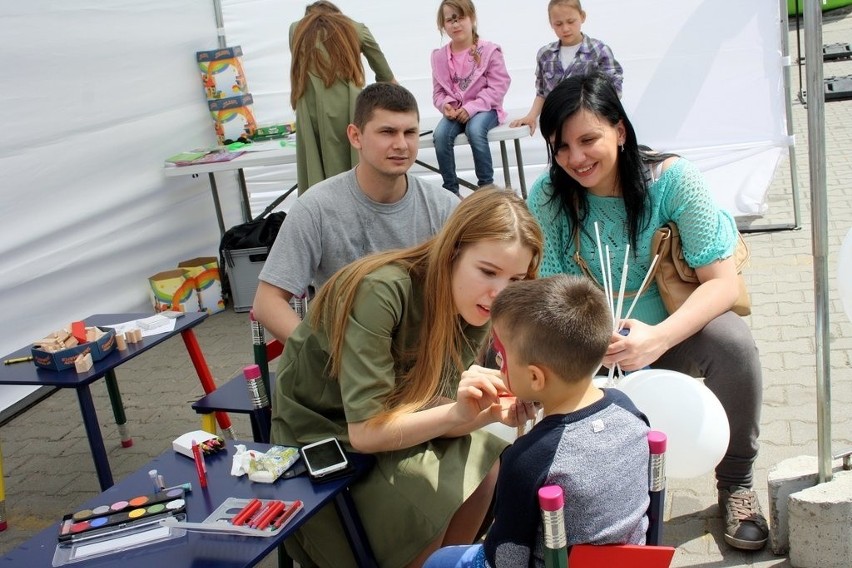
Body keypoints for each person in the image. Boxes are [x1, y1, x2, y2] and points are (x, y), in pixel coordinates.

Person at [527, 70, 768, 551]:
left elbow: (724, 284)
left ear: (619, 130)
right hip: (595, 344)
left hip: (671, 334)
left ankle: (736, 481)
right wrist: (593, 341)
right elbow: (551, 293)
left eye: (588, 139)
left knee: (733, 344)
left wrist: (657, 338)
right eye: (561, 146)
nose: (575, 158)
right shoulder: (550, 197)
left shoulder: (672, 181)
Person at [270, 188, 544, 568]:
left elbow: (434, 405)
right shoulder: (381, 291)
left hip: (391, 420)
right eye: (487, 271)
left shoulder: (476, 306)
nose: (499, 294)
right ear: (452, 252)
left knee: (486, 461)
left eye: (516, 279)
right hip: (323, 434)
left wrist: (487, 412)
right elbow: (365, 432)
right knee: (430, 493)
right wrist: (460, 415)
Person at [424, 275, 651, 568]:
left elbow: (506, 559)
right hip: (630, 560)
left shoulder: (529, 459)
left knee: (441, 560)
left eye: (501, 358)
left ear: (535, 377)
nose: (498, 365)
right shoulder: (628, 409)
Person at [253, 83, 459, 344]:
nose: (401, 144)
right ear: (355, 136)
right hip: (345, 362)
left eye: (410, 132)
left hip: (422, 358)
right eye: (387, 132)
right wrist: (320, 357)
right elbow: (267, 302)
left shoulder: (444, 207)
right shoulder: (316, 207)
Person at [289, 1, 396, 194]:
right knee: (357, 178)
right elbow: (386, 77)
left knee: (318, 182)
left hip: (310, 113)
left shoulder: (296, 30)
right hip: (351, 110)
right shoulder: (356, 29)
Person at [431, 0, 511, 195]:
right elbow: (438, 93)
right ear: (443, 25)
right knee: (440, 135)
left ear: (472, 18)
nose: (456, 24)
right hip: (456, 112)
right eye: (450, 20)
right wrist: (446, 106)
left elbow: (499, 86)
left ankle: (486, 188)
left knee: (475, 130)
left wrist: (472, 108)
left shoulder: (489, 50)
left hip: (486, 108)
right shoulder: (439, 57)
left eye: (461, 18)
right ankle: (450, 191)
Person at [510, 0, 622, 135]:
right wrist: (531, 116)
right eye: (558, 24)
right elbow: (541, 93)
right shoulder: (545, 55)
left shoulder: (599, 50)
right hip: (556, 125)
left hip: (591, 126)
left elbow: (614, 90)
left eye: (571, 21)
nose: (565, 28)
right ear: (551, 23)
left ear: (582, 16)